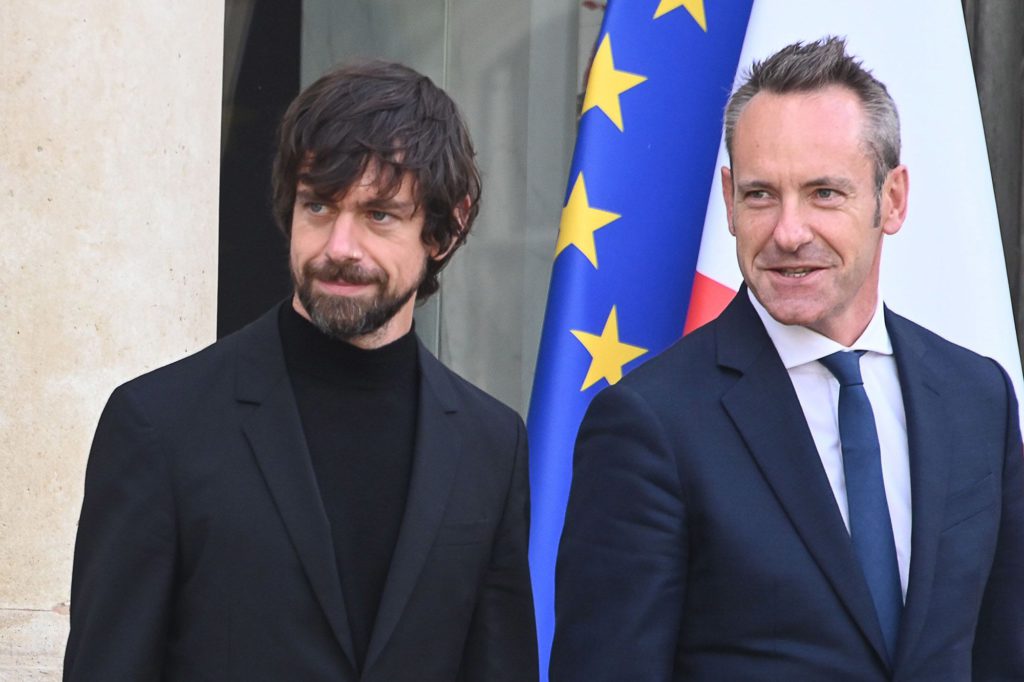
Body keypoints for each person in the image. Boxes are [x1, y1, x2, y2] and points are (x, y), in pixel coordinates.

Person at [551, 37, 1024, 681]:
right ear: (728, 199)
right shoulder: (649, 425)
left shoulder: (978, 397)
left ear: (892, 200)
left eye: (824, 193)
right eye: (760, 195)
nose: (789, 232)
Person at [64, 61, 538, 682]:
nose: (339, 247)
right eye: (318, 205)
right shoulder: (159, 425)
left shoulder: (490, 445)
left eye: (379, 214)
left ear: (446, 230)